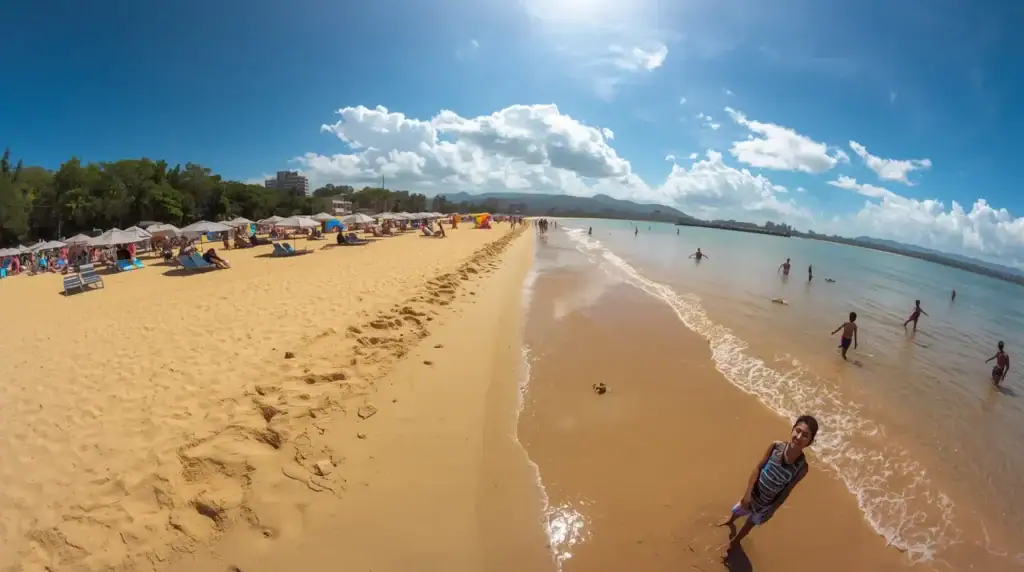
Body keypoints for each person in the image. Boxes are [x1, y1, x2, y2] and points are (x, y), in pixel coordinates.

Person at [718, 415, 818, 561]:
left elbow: (787, 491)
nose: (799, 436)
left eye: (805, 435)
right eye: (798, 430)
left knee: (749, 525)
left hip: (766, 504)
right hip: (753, 493)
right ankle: (730, 520)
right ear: (792, 429)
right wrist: (747, 493)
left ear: (810, 441)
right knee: (738, 509)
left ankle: (734, 543)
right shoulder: (776, 447)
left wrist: (772, 510)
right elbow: (758, 468)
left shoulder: (802, 467)